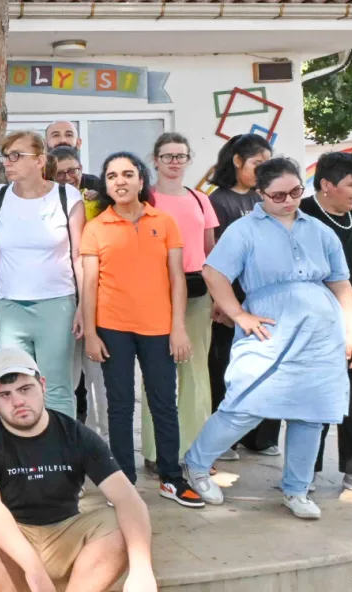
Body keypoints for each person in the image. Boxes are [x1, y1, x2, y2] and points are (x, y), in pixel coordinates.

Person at [184, 158, 352, 520]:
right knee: (245, 403)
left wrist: (351, 331)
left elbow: (341, 283)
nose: (289, 200)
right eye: (278, 195)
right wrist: (238, 314)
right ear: (260, 193)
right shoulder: (244, 230)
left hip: (321, 333)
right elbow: (213, 273)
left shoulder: (319, 229)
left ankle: (297, 489)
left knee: (311, 414)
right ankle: (196, 464)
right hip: (269, 327)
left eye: (295, 191)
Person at [0, 349, 156, 592]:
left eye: (25, 389)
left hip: (65, 535)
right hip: (11, 543)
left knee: (120, 526)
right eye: (5, 394)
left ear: (42, 385)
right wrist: (33, 568)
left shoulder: (75, 434)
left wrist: (141, 570)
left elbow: (128, 498)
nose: (18, 402)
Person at [80, 152, 202, 507]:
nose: (120, 181)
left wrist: (178, 328)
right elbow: (89, 284)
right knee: (119, 406)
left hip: (158, 328)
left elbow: (177, 278)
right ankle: (125, 482)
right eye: (112, 175)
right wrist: (91, 333)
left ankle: (171, 478)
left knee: (164, 403)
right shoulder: (96, 227)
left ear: (141, 180)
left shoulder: (164, 222)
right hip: (112, 328)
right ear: (106, 184)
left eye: (128, 174)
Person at [0, 130, 85, 418]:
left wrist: (83, 307)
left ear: (40, 161)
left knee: (56, 388)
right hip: (9, 306)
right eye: (5, 156)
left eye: (16, 155)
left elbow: (80, 256)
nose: (7, 162)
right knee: (14, 386)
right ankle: (21, 444)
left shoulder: (66, 196)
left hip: (57, 304)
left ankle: (62, 445)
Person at [301, 152, 352, 498]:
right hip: (315, 327)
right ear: (326, 184)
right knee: (312, 399)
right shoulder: (300, 216)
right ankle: (304, 470)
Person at [141, 133, 218, 478]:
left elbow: (210, 251)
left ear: (188, 160)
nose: (174, 162)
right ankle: (156, 450)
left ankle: (195, 449)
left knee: (195, 371)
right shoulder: (145, 199)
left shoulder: (201, 200)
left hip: (197, 292)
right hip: (155, 292)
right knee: (156, 373)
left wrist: (218, 296)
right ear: (155, 160)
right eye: (167, 156)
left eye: (180, 156)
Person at [206, 133, 280, 460]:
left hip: (264, 299)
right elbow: (214, 256)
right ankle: (224, 440)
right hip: (231, 300)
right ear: (237, 161)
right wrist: (220, 301)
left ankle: (260, 438)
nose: (263, 171)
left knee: (266, 368)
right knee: (227, 369)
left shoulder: (266, 199)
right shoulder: (218, 201)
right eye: (257, 164)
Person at [49, 144, 106, 437]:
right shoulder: (46, 203)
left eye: (74, 170)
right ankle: (64, 436)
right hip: (62, 299)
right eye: (61, 173)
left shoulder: (97, 197)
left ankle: (102, 439)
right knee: (65, 378)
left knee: (100, 378)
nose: (69, 177)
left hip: (99, 298)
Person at [43, 121, 100, 193]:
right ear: (45, 144)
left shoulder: (94, 184)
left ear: (78, 143)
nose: (63, 140)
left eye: (69, 135)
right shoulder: (36, 186)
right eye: (56, 135)